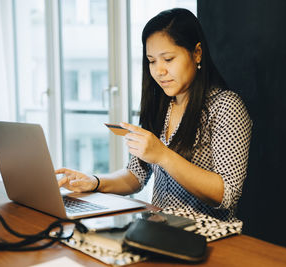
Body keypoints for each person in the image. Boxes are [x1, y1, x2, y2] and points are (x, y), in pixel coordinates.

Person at [56, 8, 252, 222]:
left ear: (197, 53)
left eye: (168, 59)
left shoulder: (226, 106)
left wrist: (163, 156)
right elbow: (135, 176)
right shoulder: (161, 104)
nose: (159, 71)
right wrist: (94, 182)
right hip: (160, 231)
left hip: (205, 237)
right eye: (151, 61)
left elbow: (227, 194)